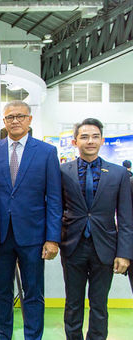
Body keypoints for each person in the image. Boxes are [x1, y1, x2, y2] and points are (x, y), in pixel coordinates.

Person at [0, 100, 62, 340]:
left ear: (30, 120)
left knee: (34, 293)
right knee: (2, 292)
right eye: (9, 117)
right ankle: (3, 335)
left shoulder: (47, 152)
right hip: (0, 237)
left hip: (34, 237)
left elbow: (54, 198)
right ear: (3, 122)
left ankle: (33, 337)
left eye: (20, 116)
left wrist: (52, 238)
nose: (15, 121)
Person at [60, 118, 133, 339]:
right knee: (73, 304)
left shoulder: (119, 174)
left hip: (105, 247)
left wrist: (124, 253)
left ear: (101, 140)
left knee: (99, 305)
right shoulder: (62, 171)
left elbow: (126, 217)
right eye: (84, 136)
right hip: (72, 246)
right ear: (74, 142)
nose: (90, 141)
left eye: (94, 136)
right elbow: (54, 209)